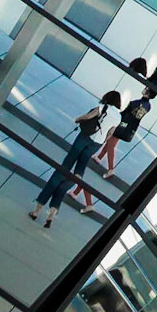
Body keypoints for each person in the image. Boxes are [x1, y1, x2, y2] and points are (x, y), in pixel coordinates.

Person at [29, 97, 119, 228]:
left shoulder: (104, 107)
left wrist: (78, 119)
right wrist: (102, 140)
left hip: (85, 136)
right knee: (80, 168)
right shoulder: (118, 117)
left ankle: (37, 211)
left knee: (64, 167)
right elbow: (110, 133)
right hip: (97, 143)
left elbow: (89, 116)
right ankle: (52, 213)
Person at [71, 91, 150, 208]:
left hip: (121, 125)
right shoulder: (147, 107)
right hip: (128, 128)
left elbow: (124, 114)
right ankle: (99, 158)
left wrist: (115, 119)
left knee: (111, 146)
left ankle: (111, 168)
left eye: (146, 88)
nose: (144, 89)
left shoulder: (134, 103)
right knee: (109, 143)